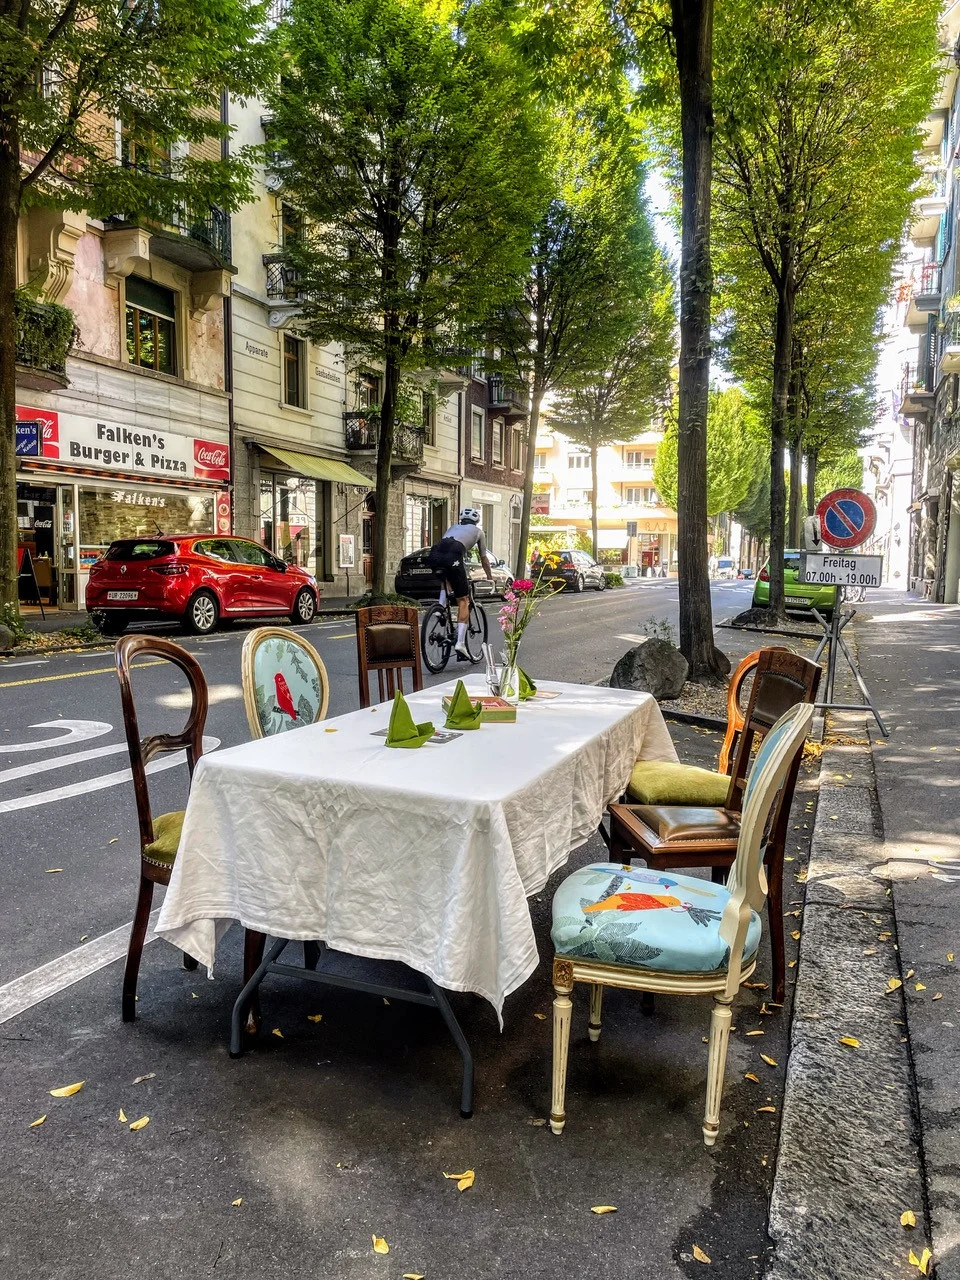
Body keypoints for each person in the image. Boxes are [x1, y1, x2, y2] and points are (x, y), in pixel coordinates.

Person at [426, 507, 493, 659]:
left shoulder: (452, 527)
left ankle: (440, 608)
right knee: (463, 599)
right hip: (454, 554)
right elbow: (484, 559)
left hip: (435, 553)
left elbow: (444, 547)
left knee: (445, 578)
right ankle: (460, 643)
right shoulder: (478, 532)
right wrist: (490, 577)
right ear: (476, 521)